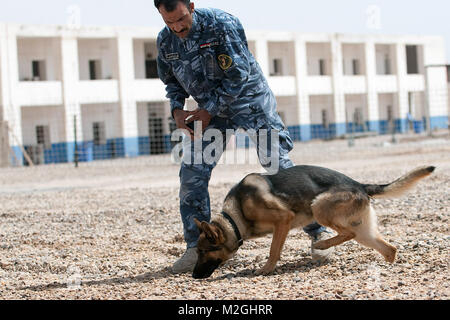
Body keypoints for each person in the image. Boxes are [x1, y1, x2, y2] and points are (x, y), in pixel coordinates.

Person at [155, 0, 334, 273]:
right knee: (192, 171)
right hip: (211, 114)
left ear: (191, 6)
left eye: (181, 19)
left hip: (250, 103)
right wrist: (177, 109)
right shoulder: (166, 42)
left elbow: (238, 74)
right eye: (170, 22)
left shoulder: (221, 24)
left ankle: (318, 232)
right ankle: (196, 247)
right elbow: (171, 82)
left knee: (277, 166)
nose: (177, 27)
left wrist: (208, 109)